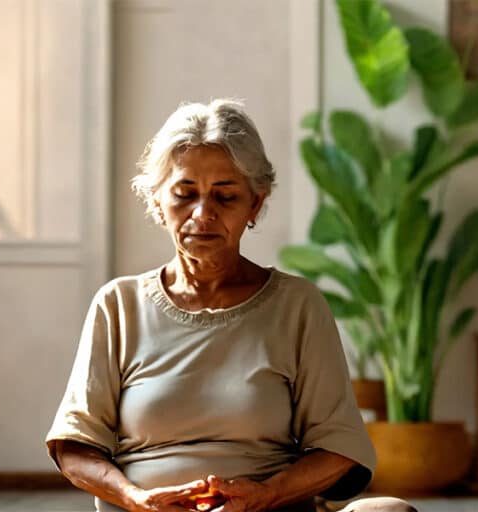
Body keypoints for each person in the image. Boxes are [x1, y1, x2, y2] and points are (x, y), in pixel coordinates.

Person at [45, 99, 416, 512]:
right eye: (184, 194)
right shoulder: (118, 306)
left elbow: (341, 447)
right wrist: (136, 499)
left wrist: (267, 495)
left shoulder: (296, 305)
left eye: (225, 197)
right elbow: (75, 447)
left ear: (255, 204)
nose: (202, 214)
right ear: (157, 201)